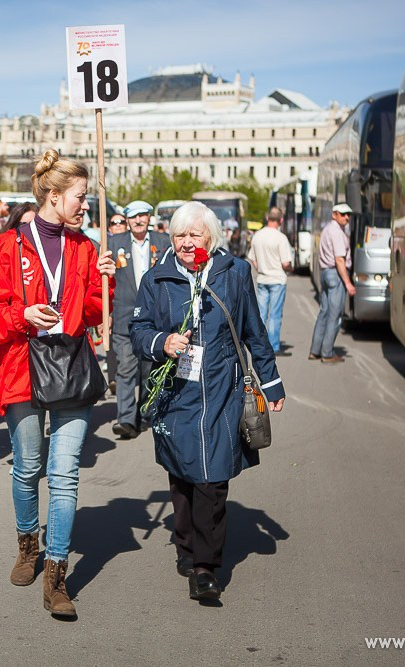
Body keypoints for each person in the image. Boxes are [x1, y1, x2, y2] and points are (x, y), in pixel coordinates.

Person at [0, 149, 116, 619]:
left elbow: (93, 313)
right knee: (28, 466)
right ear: (53, 196)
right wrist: (22, 314)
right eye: (80, 197)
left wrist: (105, 285)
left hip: (71, 366)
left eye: (87, 198)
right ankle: (28, 543)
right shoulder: (10, 245)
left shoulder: (86, 248)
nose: (85, 206)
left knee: (67, 472)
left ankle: (57, 574)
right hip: (21, 367)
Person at [130, 201, 285, 601]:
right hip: (175, 395)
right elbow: (138, 329)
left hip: (222, 392)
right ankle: (186, 547)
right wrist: (161, 342)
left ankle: (205, 567)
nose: (185, 243)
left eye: (194, 235)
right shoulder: (157, 278)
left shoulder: (234, 274)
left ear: (211, 238)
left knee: (212, 479)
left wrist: (271, 383)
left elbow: (253, 329)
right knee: (182, 475)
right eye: (179, 235)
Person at [110, 199, 171, 438]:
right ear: (127, 220)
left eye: (142, 216)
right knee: (126, 368)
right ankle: (125, 418)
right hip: (124, 315)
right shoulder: (113, 243)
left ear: (149, 218)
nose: (138, 220)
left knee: (148, 370)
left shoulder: (162, 243)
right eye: (134, 216)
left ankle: (144, 412)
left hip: (153, 318)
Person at [309, 203, 356, 363]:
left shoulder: (328, 229)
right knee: (335, 316)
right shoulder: (337, 232)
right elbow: (339, 260)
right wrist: (348, 283)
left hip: (325, 273)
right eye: (343, 214)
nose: (347, 217)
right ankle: (327, 353)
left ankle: (315, 351)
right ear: (334, 214)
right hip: (336, 274)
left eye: (348, 214)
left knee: (324, 312)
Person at [247, 206, 294, 356]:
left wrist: (261, 268)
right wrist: (290, 268)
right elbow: (286, 263)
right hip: (277, 279)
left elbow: (252, 258)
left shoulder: (257, 236)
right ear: (281, 220)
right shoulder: (281, 238)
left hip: (262, 278)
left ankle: (259, 345)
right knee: (274, 314)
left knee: (261, 314)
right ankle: (273, 346)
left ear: (267, 218)